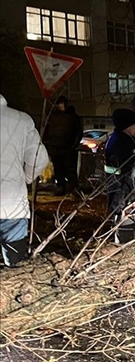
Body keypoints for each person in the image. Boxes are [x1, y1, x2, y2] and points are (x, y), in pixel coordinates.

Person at [0, 94, 50, 266]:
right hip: (12, 204)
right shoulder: (22, 120)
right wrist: (27, 177)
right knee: (15, 264)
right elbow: (39, 158)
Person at [105, 108, 135, 238]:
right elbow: (125, 164)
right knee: (121, 211)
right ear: (127, 126)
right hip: (120, 186)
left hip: (122, 184)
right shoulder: (121, 142)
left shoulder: (123, 140)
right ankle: (121, 236)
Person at [43, 96, 83, 196]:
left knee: (70, 169)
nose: (60, 106)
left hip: (68, 148)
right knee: (58, 168)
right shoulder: (52, 117)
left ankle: (74, 187)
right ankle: (61, 186)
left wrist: (74, 145)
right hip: (55, 147)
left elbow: (78, 132)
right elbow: (45, 130)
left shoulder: (72, 117)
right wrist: (47, 143)